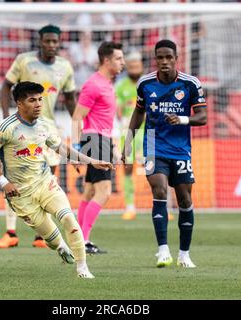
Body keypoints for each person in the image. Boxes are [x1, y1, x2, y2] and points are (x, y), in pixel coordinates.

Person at [0, 82, 113, 278]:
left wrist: (91, 161)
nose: (38, 104)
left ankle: (83, 268)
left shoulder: (44, 125)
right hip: (20, 194)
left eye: (40, 99)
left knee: (68, 218)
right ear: (19, 104)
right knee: (50, 239)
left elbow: (62, 148)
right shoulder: (5, 128)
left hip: (46, 183)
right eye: (32, 100)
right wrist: (4, 182)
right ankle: (60, 246)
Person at [122, 40, 207, 268]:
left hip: (180, 148)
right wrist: (128, 143)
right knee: (158, 189)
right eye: (160, 57)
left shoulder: (190, 84)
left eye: (169, 57)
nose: (164, 61)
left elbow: (203, 117)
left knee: (185, 200)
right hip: (152, 143)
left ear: (176, 58)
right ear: (155, 59)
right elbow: (138, 114)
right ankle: (162, 251)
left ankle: (184, 254)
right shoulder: (146, 83)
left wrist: (182, 119)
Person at [0, 24, 77, 249]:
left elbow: (71, 100)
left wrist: (79, 131)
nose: (51, 45)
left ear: (59, 43)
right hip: (21, 129)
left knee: (47, 180)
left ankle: (40, 236)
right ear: (40, 41)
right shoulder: (24, 61)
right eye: (47, 41)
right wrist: (5, 117)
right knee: (15, 178)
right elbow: (6, 85)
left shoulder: (65, 66)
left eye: (54, 42)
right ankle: (10, 232)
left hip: (48, 130)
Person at [72, 41, 125, 254]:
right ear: (106, 60)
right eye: (119, 59)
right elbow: (77, 116)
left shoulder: (107, 84)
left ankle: (80, 239)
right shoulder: (93, 84)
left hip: (100, 140)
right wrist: (76, 149)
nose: (122, 63)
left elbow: (103, 121)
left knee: (90, 192)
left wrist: (113, 146)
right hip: (94, 140)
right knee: (104, 192)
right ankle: (82, 242)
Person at [115, 51, 145, 220]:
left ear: (141, 66)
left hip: (149, 132)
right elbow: (117, 110)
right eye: (131, 66)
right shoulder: (121, 85)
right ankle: (130, 206)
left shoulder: (148, 83)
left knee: (156, 168)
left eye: (137, 65)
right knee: (127, 168)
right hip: (127, 132)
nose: (134, 68)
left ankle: (161, 205)